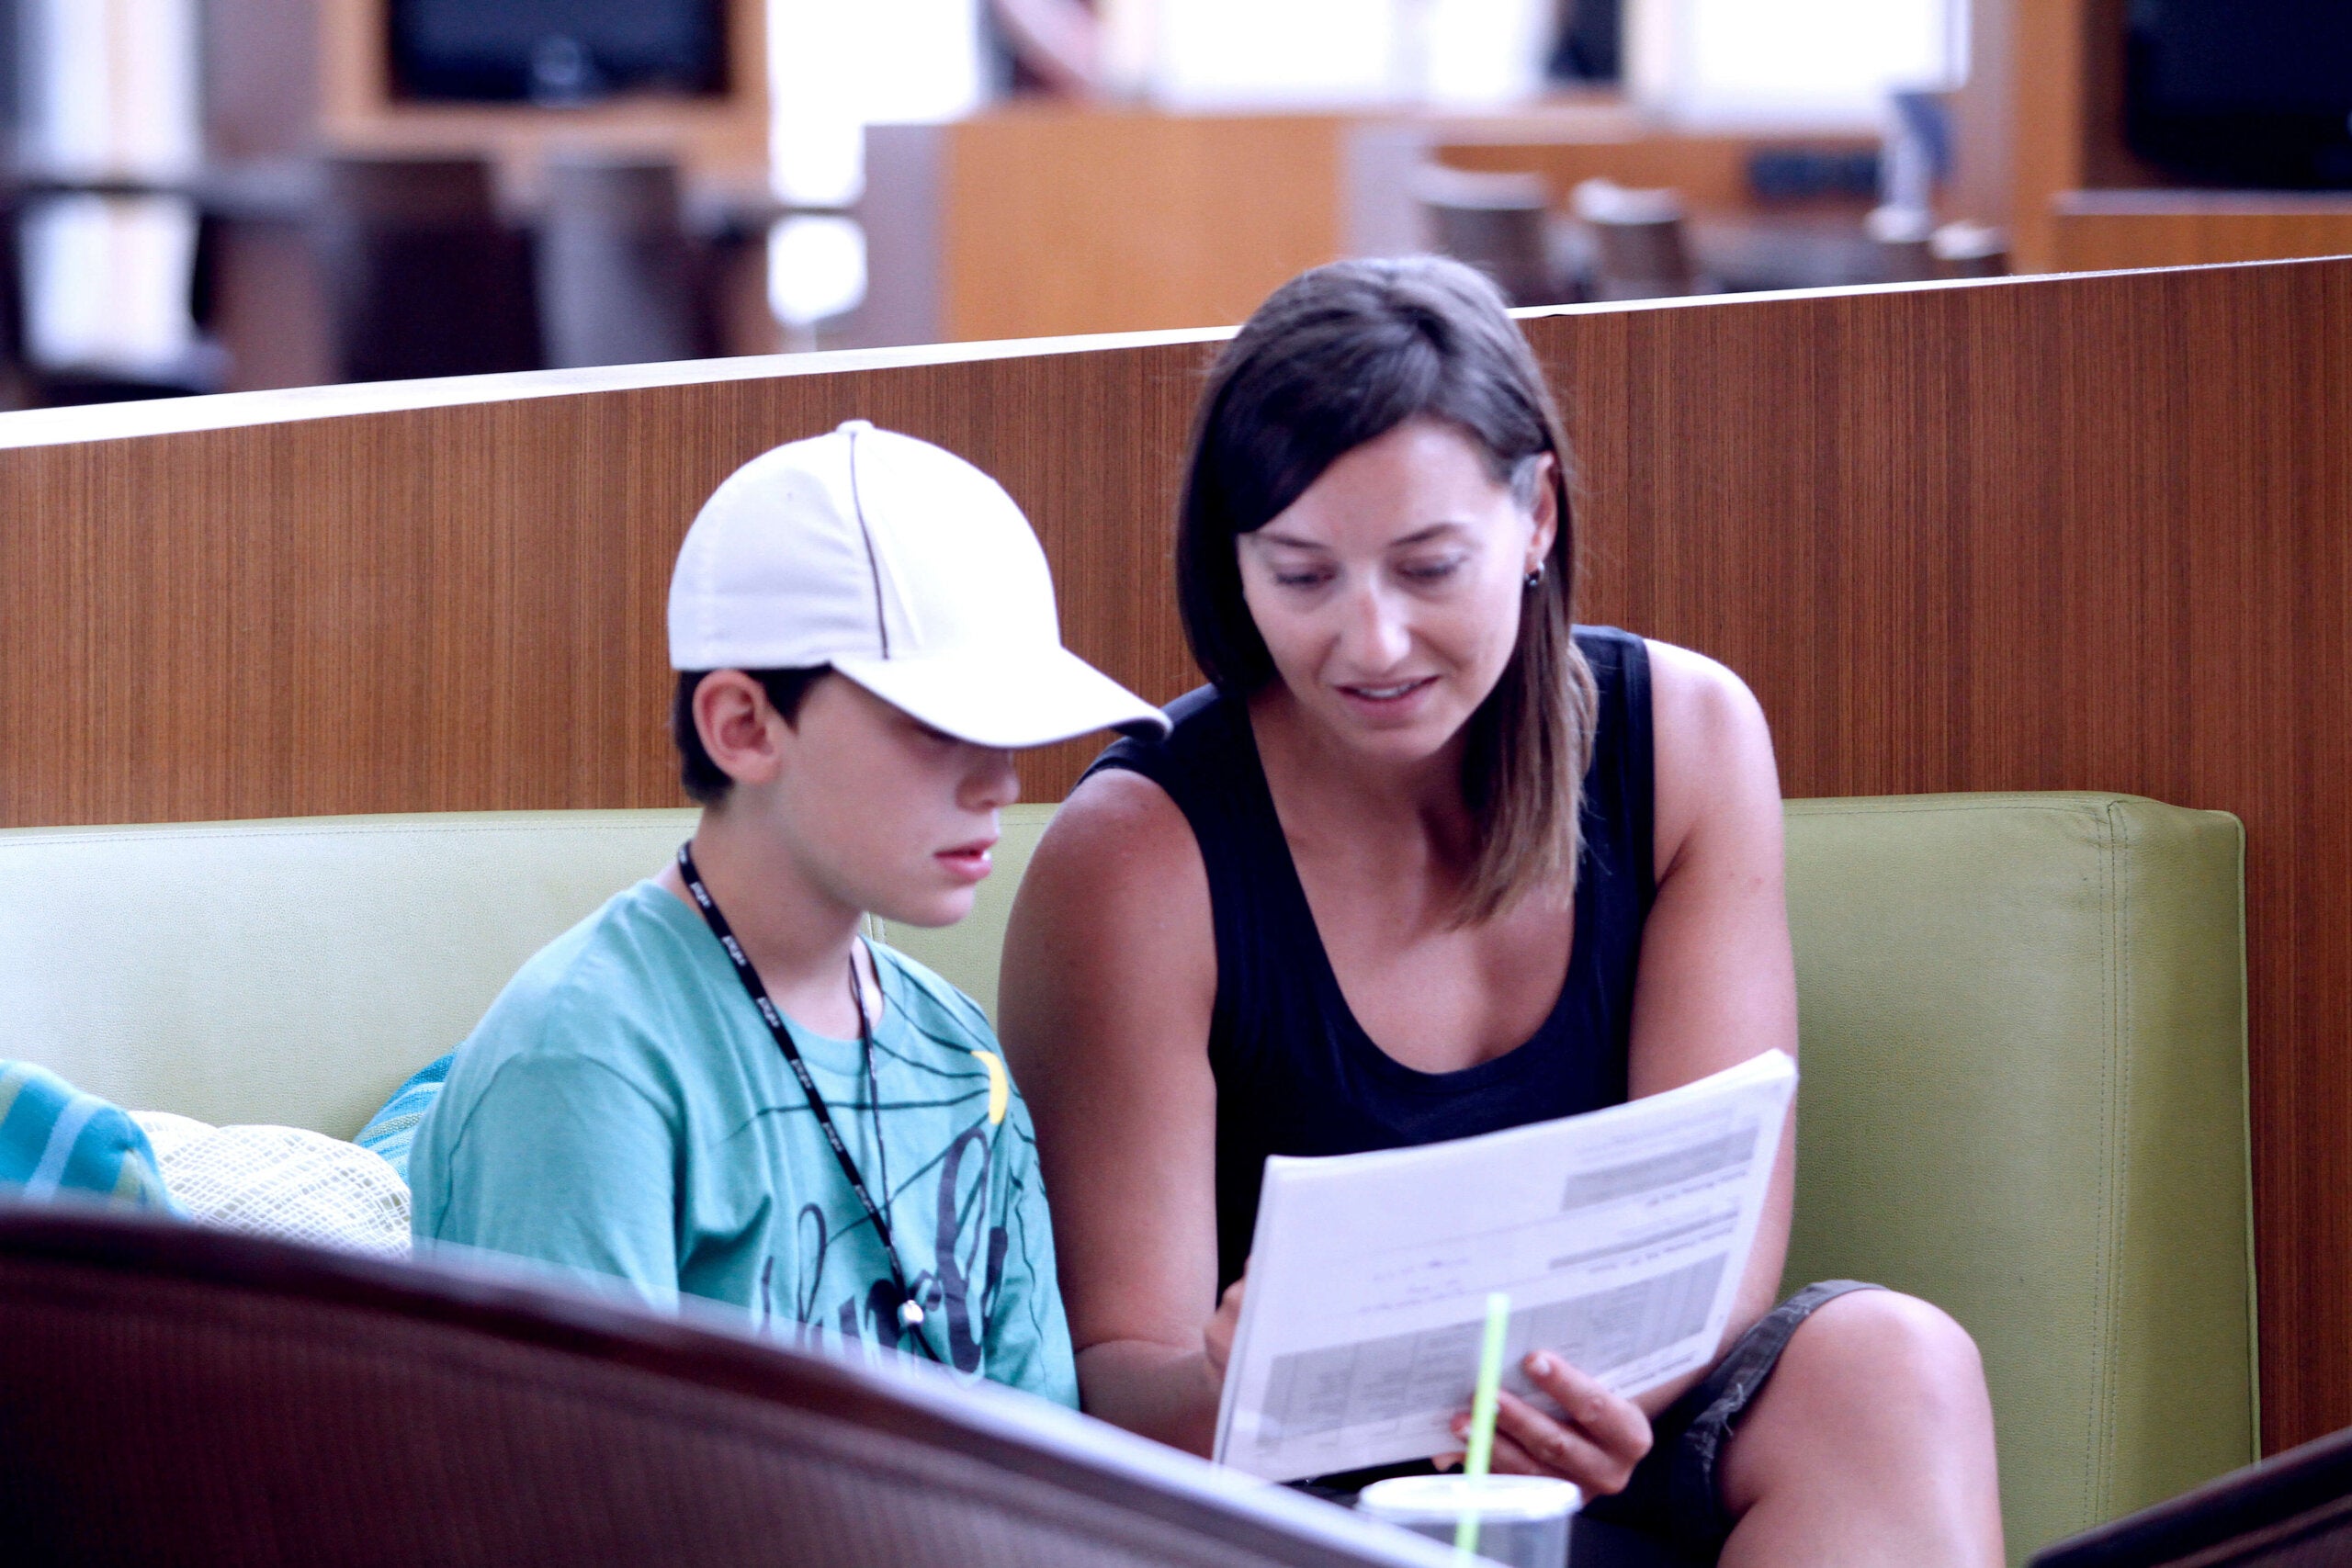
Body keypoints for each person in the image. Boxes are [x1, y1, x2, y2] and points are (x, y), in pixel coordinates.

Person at [997, 259, 2005, 1562]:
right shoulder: (1139, 855)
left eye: (1428, 567)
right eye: (1302, 576)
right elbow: (1112, 1380)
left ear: (1535, 516)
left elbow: (1715, 1222)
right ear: (1233, 564)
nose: (1372, 641)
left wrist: (1594, 1406)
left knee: (1894, 1362)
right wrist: (1224, 1379)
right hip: (1301, 1509)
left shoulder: (1686, 739)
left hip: (1611, 1448)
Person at [410, 421, 1167, 1406]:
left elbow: (1050, 1480)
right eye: (939, 729)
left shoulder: (956, 1051)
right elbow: (576, 1506)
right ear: (743, 726)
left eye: (1011, 733)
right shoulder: (586, 1062)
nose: (1000, 783)